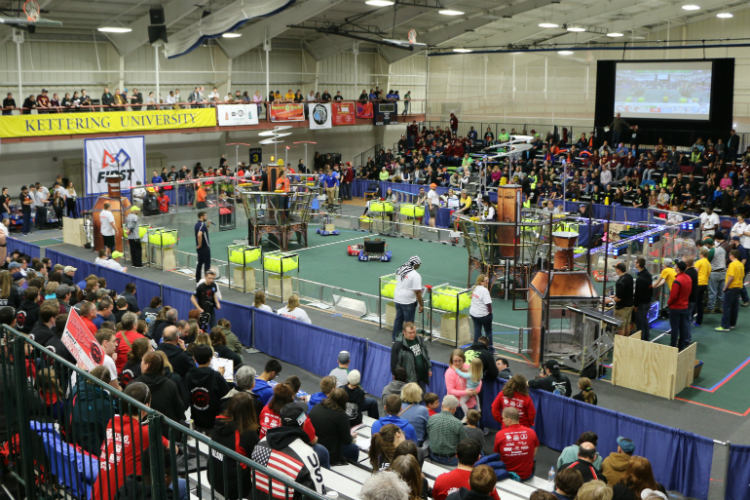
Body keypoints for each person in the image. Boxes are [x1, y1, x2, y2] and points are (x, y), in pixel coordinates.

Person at [92, 383, 168, 500]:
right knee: (181, 486)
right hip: (123, 495)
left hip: (98, 495)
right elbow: (172, 447)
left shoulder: (112, 422)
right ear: (146, 406)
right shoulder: (144, 432)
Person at [251, 402, 325, 498]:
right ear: (302, 425)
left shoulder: (262, 442)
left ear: (281, 422)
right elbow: (318, 493)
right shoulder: (307, 454)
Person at [210, 393, 260, 499]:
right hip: (235, 488)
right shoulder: (248, 434)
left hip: (214, 479)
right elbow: (258, 462)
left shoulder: (218, 425)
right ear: (250, 411)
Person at [132, 352, 188, 425]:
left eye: (142, 361)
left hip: (143, 430)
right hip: (167, 430)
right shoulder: (170, 385)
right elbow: (179, 411)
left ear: (146, 365)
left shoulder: (133, 386)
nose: (140, 364)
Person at [185, 344, 230, 431]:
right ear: (210, 358)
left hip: (196, 419)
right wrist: (220, 376)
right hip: (213, 421)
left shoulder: (188, 376)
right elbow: (226, 396)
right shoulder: (216, 376)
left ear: (194, 358)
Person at [308, 387, 359, 464]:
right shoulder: (342, 415)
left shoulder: (317, 406)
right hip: (329, 452)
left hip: (312, 445)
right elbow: (346, 440)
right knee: (354, 448)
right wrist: (352, 436)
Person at [493, 407, 538, 481]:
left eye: (503, 418)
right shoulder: (532, 432)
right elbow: (533, 454)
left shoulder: (500, 435)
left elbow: (497, 455)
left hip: (507, 475)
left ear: (509, 420)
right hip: (527, 475)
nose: (503, 421)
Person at [427, 395, 467, 466]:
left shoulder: (431, 418)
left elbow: (429, 434)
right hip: (450, 460)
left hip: (433, 456)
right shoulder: (458, 423)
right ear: (455, 408)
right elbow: (464, 442)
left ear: (442, 405)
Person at [392, 256, 424, 342]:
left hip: (397, 299)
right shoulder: (415, 275)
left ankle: (395, 339)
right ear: (416, 265)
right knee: (409, 323)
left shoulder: (401, 269)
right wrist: (421, 304)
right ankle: (408, 341)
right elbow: (417, 291)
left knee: (398, 320)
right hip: (408, 301)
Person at [391, 322, 431, 389]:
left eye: (414, 332)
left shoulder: (419, 340)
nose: (413, 334)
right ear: (404, 332)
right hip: (408, 383)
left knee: (422, 398)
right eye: (410, 333)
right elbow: (395, 366)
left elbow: (426, 355)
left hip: (421, 379)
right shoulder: (398, 345)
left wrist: (429, 368)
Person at [446, 349, 481, 420]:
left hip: (471, 404)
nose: (458, 363)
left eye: (460, 360)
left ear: (463, 360)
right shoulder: (449, 372)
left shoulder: (468, 367)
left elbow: (479, 380)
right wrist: (466, 392)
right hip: (457, 407)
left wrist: (476, 391)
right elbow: (450, 390)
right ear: (451, 361)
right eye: (455, 361)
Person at [716, 249, 745, 332]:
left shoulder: (732, 264)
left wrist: (725, 287)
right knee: (734, 306)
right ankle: (732, 324)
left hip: (732, 287)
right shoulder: (740, 264)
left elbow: (731, 277)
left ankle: (725, 326)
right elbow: (741, 276)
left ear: (732, 255)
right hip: (738, 287)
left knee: (726, 306)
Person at [668, 261, 692, 350]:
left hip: (675, 308)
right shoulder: (688, 278)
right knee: (683, 327)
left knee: (674, 328)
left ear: (678, 268)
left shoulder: (677, 281)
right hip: (685, 306)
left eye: (675, 266)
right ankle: (681, 346)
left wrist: (669, 303)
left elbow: (673, 296)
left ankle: (673, 346)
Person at [632, 257, 653, 341]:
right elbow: (651, 288)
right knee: (645, 321)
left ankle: (641, 340)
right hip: (648, 302)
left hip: (641, 304)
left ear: (638, 264)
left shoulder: (640, 279)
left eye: (635, 262)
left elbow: (638, 294)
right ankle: (646, 338)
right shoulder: (648, 275)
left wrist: (635, 305)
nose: (634, 263)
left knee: (640, 324)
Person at [610, 263, 633, 336]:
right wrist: (615, 295)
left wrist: (609, 300)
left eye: (616, 269)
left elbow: (619, 299)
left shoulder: (620, 282)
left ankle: (621, 343)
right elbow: (626, 291)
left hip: (622, 308)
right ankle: (626, 341)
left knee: (621, 326)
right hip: (630, 305)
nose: (615, 270)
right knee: (627, 324)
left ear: (618, 270)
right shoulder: (629, 276)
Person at [469, 274, 493, 342]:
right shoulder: (484, 290)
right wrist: (490, 312)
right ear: (481, 282)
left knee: (477, 329)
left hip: (473, 313)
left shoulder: (475, 287)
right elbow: (488, 303)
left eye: (488, 279)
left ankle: (476, 346)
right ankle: (490, 348)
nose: (487, 281)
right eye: (486, 280)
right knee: (488, 331)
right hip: (483, 315)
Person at [693, 247, 711, 327]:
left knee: (693, 302)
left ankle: (689, 319)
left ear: (701, 254)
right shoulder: (708, 263)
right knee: (700, 303)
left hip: (698, 284)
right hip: (705, 284)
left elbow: (695, 272)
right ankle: (698, 321)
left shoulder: (699, 262)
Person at [194, 211, 212, 282]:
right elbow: (199, 235)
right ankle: (207, 281)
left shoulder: (197, 224)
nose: (206, 217)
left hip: (199, 249)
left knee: (200, 264)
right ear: (202, 216)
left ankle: (198, 280)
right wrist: (200, 244)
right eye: (205, 215)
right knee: (207, 265)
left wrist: (208, 225)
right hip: (204, 247)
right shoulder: (202, 225)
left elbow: (204, 232)